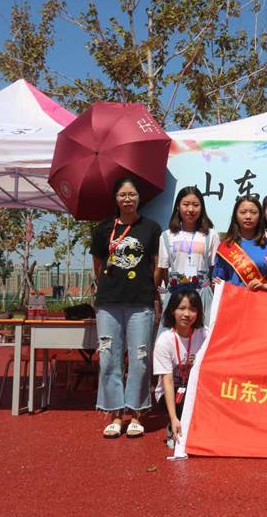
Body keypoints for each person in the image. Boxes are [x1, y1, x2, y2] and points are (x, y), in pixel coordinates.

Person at [90, 177, 161, 439]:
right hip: (108, 304)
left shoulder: (151, 228)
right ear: (116, 199)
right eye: (123, 195)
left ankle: (138, 413)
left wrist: (148, 289)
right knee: (109, 357)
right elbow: (98, 266)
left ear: (139, 198)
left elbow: (157, 265)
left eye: (132, 194)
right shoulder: (103, 229)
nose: (127, 199)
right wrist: (109, 286)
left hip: (140, 303)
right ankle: (115, 414)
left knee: (140, 357)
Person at [154, 186, 219, 327]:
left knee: (203, 335)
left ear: (202, 207)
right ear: (178, 206)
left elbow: (214, 268)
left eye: (195, 205)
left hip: (202, 294)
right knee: (173, 336)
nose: (191, 209)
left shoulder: (211, 235)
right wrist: (160, 298)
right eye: (186, 204)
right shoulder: (167, 235)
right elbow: (163, 269)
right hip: (176, 295)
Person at [153, 290, 209, 449]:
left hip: (196, 388)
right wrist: (173, 418)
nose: (187, 314)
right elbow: (168, 381)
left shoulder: (205, 334)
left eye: (192, 309)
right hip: (171, 391)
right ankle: (174, 426)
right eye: (181, 308)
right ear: (172, 310)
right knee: (184, 402)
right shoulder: (165, 340)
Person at [212, 196, 267, 292]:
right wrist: (216, 285)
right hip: (232, 298)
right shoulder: (226, 246)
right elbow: (218, 279)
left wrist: (265, 286)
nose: (248, 217)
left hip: (260, 299)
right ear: (235, 216)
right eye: (243, 212)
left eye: (253, 212)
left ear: (260, 216)